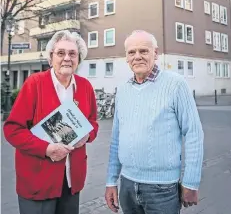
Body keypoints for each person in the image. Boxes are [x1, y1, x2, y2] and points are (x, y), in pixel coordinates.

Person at [105, 30, 204, 214]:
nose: (137, 57)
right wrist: (111, 181)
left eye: (143, 51)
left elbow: (194, 134)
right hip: (127, 184)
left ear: (155, 53)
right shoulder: (123, 90)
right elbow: (116, 139)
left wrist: (191, 181)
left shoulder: (176, 85)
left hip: (162, 189)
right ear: (126, 58)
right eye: (131, 52)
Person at [3, 30, 99, 214]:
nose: (67, 58)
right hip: (38, 179)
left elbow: (93, 122)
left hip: (71, 179)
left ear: (79, 58)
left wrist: (87, 136)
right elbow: (12, 129)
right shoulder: (35, 83)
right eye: (61, 53)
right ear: (51, 57)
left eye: (72, 53)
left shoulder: (85, 86)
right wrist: (46, 149)